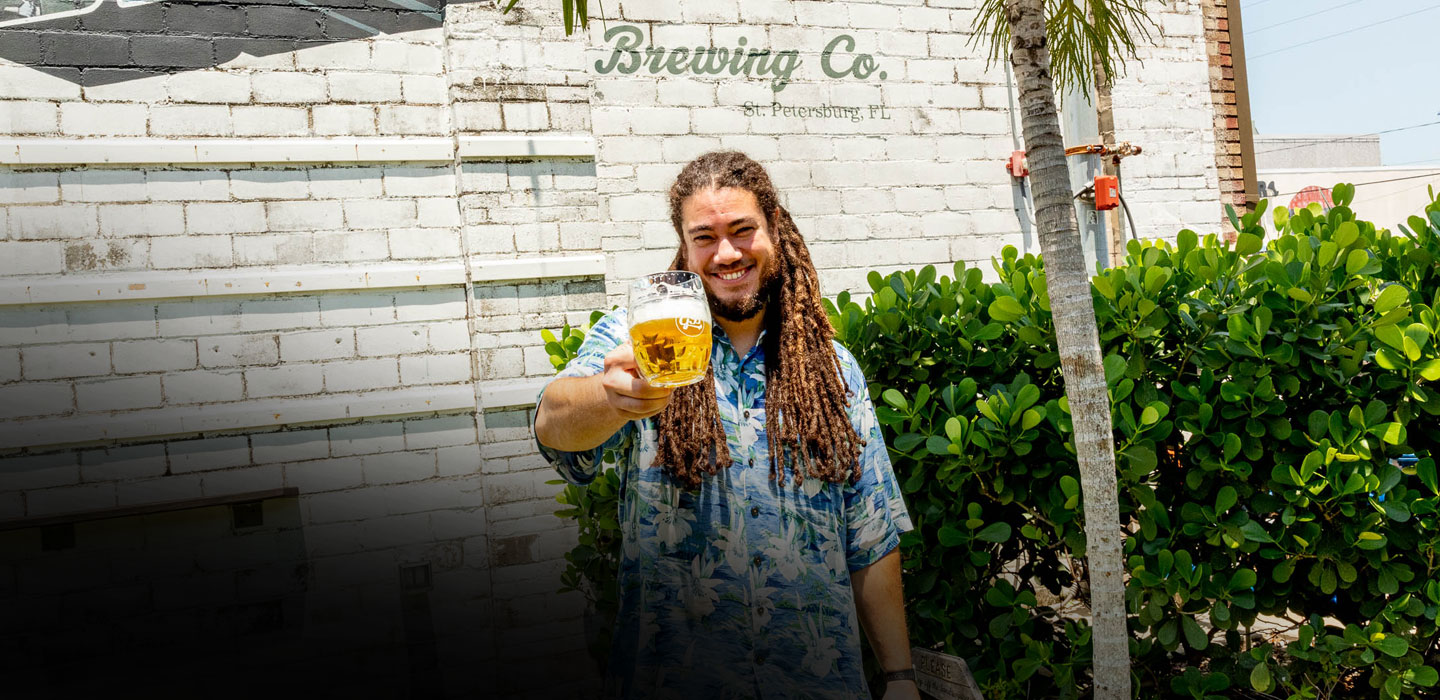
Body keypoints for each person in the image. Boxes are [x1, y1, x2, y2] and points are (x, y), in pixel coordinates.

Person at [533, 151, 918, 699]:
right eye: (705, 237)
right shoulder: (640, 337)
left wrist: (900, 676)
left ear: (774, 231)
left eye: (742, 230)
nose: (728, 253)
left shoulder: (834, 370)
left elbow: (870, 536)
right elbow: (552, 423)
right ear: (684, 248)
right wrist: (610, 398)